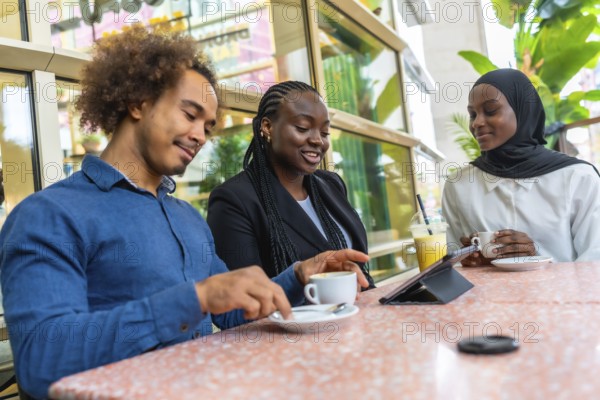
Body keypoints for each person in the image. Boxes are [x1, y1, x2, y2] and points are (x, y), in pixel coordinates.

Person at [0, 28, 369, 399]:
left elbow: (230, 312)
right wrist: (197, 299)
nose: (200, 136)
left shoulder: (187, 219)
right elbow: (40, 362)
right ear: (139, 102)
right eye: (190, 115)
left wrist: (300, 274)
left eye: (207, 127)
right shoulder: (48, 216)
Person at [207, 81, 375, 302]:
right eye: (303, 128)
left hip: (359, 323)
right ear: (267, 127)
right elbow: (240, 302)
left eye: (324, 132)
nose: (317, 140)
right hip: (295, 333)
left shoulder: (331, 184)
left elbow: (360, 271)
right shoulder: (234, 200)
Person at [442, 68, 600, 266]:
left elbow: (594, 266)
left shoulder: (578, 178)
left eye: (490, 111)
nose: (477, 123)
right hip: (486, 298)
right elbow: (450, 266)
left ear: (523, 110)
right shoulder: (459, 184)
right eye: (473, 114)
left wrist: (537, 258)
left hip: (562, 297)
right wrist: (469, 262)